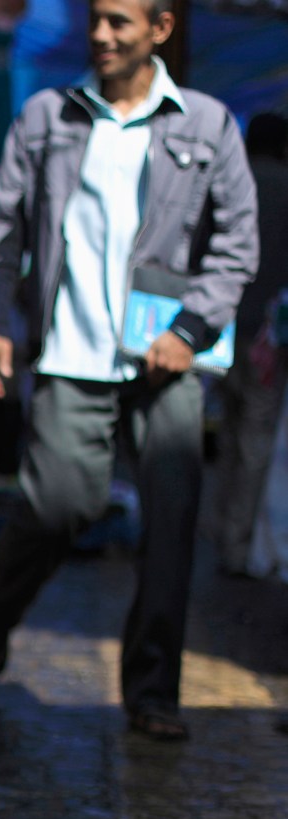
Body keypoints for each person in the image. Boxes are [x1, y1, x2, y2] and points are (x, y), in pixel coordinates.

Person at [0, 0, 259, 741]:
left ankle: (153, 693)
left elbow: (236, 246)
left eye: (119, 22)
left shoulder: (207, 124)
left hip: (166, 362)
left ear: (159, 29)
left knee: (170, 524)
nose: (100, 35)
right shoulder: (46, 118)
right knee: (59, 504)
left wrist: (189, 331)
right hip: (70, 353)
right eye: (96, 19)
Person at [215, 111, 288, 577]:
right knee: (255, 435)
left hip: (223, 324)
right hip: (269, 334)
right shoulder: (284, 186)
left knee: (228, 428)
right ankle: (239, 544)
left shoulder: (234, 181)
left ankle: (221, 526)